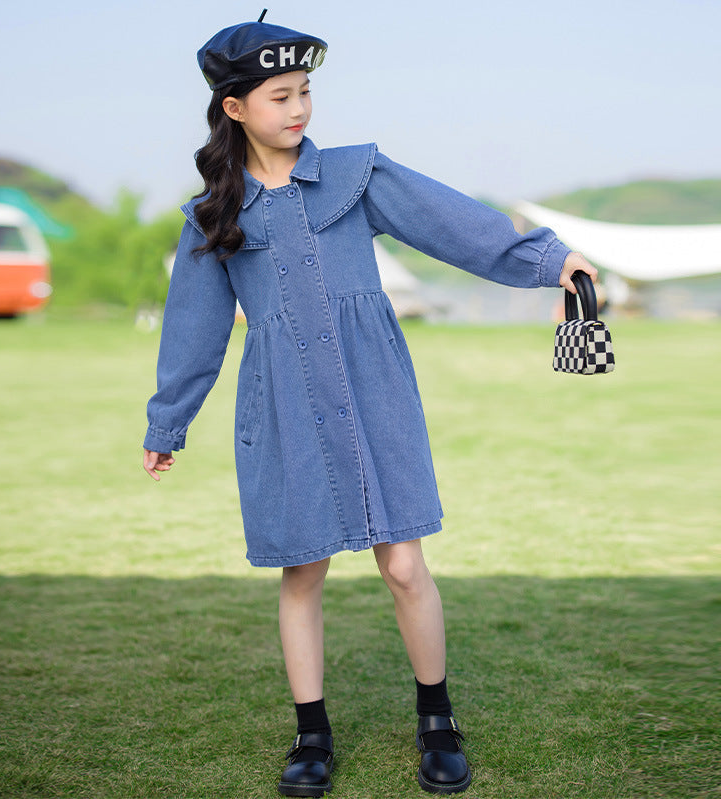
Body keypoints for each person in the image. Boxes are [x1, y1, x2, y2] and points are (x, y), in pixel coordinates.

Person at [143, 12, 597, 797]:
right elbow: (194, 331)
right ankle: (310, 735)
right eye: (280, 95)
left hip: (374, 388)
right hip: (282, 404)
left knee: (406, 565)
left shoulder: (359, 174)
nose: (299, 109)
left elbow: (456, 226)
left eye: (306, 91)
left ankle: (438, 721)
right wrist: (167, 422)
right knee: (301, 572)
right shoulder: (211, 216)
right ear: (235, 107)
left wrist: (550, 259)